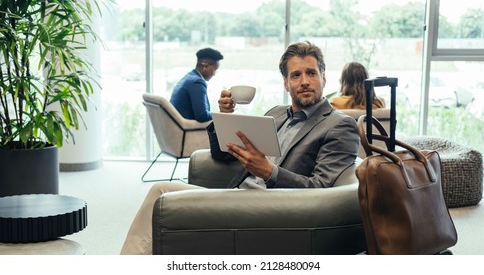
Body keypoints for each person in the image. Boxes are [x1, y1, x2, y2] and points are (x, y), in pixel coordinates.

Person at [120, 41, 360, 254]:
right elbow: (222, 156)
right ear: (286, 84)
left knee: (162, 198)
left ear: (324, 78)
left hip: (271, 209)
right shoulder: (276, 114)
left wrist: (269, 172)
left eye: (312, 73)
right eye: (296, 75)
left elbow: (320, 190)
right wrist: (223, 118)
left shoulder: (339, 125)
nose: (305, 81)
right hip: (238, 194)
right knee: (160, 190)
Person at [169, 47, 224, 122]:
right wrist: (222, 115)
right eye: (215, 69)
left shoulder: (189, 77)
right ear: (205, 66)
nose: (214, 74)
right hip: (188, 130)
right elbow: (202, 116)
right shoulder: (197, 82)